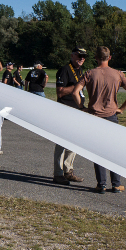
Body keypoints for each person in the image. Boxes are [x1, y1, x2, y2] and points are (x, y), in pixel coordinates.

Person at [79, 46, 126, 193]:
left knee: (98, 151)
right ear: (109, 57)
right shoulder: (117, 74)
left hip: (94, 116)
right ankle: (116, 184)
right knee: (114, 151)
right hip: (111, 116)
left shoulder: (90, 73)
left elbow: (75, 91)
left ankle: (101, 184)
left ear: (96, 58)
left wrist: (82, 106)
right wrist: (122, 108)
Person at [52, 48, 90, 184]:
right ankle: (58, 173)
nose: (81, 58)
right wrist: (77, 87)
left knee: (74, 143)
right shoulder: (65, 70)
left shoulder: (80, 71)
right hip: (65, 110)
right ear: (72, 55)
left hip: (77, 111)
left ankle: (68, 171)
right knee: (61, 143)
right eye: (79, 56)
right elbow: (60, 92)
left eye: (84, 56)